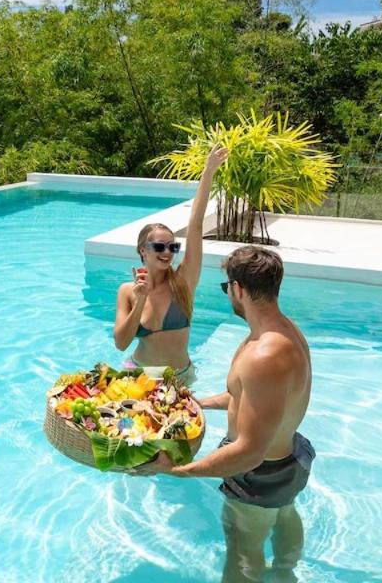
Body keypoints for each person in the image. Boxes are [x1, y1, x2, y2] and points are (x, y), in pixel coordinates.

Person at [139, 246, 314, 583]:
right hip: (289, 461)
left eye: (226, 288)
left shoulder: (263, 356)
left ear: (238, 289)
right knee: (284, 513)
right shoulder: (284, 332)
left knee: (242, 554)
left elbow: (249, 452)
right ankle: (285, 573)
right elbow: (249, 398)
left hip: (259, 476)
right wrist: (199, 403)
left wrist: (178, 471)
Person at [114, 146, 227, 385]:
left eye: (172, 247)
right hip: (137, 376)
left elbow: (196, 225)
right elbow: (121, 343)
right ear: (142, 250)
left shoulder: (183, 282)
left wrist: (208, 172)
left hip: (179, 378)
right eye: (159, 246)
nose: (167, 252)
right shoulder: (127, 291)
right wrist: (140, 300)